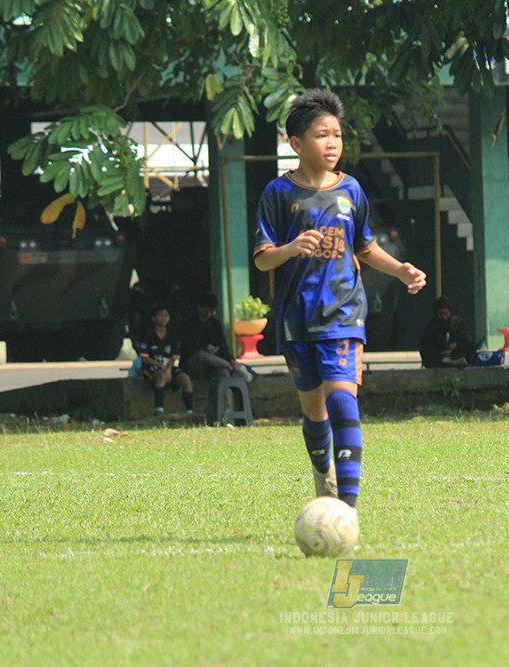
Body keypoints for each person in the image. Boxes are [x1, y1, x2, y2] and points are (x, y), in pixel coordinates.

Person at [253, 89, 427, 509]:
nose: (332, 143)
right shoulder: (278, 194)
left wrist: (400, 268)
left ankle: (346, 509)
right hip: (296, 320)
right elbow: (262, 260)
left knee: (342, 400)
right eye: (321, 135)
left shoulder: (351, 191)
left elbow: (365, 247)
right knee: (315, 416)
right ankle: (322, 474)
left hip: (344, 314)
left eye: (337, 135)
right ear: (296, 144)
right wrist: (292, 248)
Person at [137, 302, 194, 416]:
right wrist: (161, 366)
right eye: (160, 315)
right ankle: (159, 409)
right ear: (153, 318)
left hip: (169, 367)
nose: (163, 318)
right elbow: (144, 358)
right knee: (161, 376)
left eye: (166, 315)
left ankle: (189, 411)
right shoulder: (148, 335)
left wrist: (168, 369)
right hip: (152, 367)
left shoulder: (172, 335)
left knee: (185, 379)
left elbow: (174, 356)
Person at [183, 292, 252, 382]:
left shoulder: (215, 324)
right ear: (199, 307)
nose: (208, 314)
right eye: (206, 311)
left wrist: (231, 359)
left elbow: (223, 346)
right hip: (194, 365)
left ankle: (227, 394)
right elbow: (187, 347)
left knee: (223, 372)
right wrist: (204, 348)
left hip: (213, 364)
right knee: (201, 354)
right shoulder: (189, 324)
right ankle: (233, 368)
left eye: (211, 312)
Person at [419, 296, 476, 368]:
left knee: (471, 347)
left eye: (446, 314)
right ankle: (451, 362)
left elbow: (466, 341)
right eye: (440, 314)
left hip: (455, 353)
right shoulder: (432, 326)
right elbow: (426, 344)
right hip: (440, 356)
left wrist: (457, 344)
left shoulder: (457, 323)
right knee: (426, 351)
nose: (444, 317)